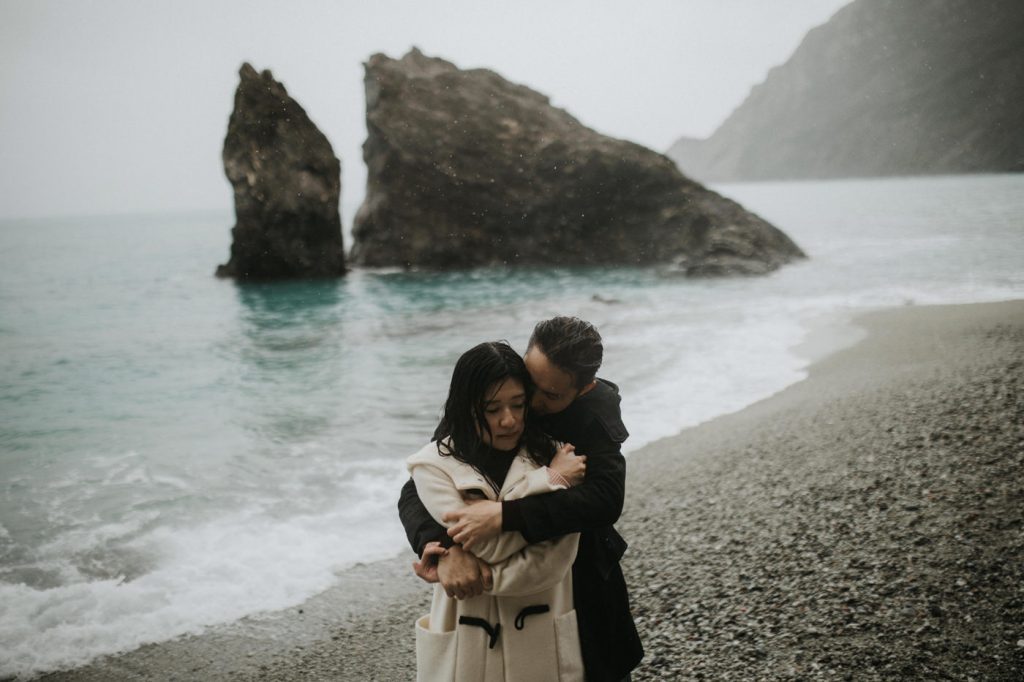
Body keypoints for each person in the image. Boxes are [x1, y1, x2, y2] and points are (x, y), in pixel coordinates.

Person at [399, 317, 643, 682]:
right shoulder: (498, 393)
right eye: (532, 386)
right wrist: (441, 548)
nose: (531, 405)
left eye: (552, 396)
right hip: (488, 604)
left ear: (583, 389)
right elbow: (418, 485)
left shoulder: (594, 415)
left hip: (582, 567)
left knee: (598, 663)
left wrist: (504, 516)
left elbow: (605, 500)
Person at [408, 341, 588, 681]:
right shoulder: (432, 465)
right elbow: (484, 544)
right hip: (465, 635)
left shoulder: (554, 455)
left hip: (540, 634)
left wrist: (482, 576)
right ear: (466, 407)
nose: (509, 421)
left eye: (518, 405)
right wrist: (546, 483)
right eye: (492, 409)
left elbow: (554, 560)